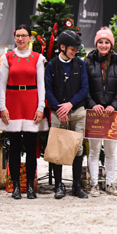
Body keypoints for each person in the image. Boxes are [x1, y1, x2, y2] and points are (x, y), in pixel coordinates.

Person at [0, 24, 46, 200]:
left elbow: (41, 85)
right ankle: (16, 186)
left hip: (31, 103)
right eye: (18, 35)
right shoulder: (7, 58)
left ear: (29, 38)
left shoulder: (38, 58)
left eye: (24, 35)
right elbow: (2, 85)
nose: (20, 39)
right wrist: (3, 107)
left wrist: (40, 107)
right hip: (13, 104)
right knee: (14, 148)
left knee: (32, 148)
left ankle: (30, 186)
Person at [45, 30, 90, 200]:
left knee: (78, 148)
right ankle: (58, 185)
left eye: (77, 49)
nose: (75, 51)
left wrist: (70, 104)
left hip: (77, 111)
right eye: (72, 49)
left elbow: (84, 88)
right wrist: (59, 108)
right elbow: (48, 90)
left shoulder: (80, 64)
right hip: (58, 112)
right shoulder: (52, 65)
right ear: (62, 47)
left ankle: (77, 185)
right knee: (58, 148)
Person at [84, 27, 117, 197]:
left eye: (107, 42)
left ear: (111, 44)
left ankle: (110, 184)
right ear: (96, 44)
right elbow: (84, 86)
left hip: (112, 114)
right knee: (94, 151)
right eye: (100, 42)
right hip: (94, 114)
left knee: (110, 152)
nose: (103, 45)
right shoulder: (88, 62)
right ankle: (94, 185)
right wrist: (92, 104)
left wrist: (114, 105)